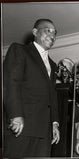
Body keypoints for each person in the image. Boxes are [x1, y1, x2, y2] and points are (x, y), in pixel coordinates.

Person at [3, 19, 60, 157]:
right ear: (35, 32)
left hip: (44, 131)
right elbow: (11, 82)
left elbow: (51, 94)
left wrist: (54, 123)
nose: (52, 35)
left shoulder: (52, 65)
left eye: (54, 33)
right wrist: (15, 115)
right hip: (23, 125)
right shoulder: (19, 50)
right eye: (47, 30)